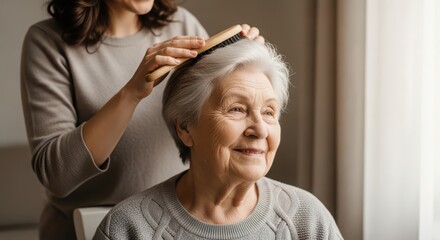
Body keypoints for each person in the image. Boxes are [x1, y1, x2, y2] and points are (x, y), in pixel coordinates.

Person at [20, 0, 261, 238]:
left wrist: (243, 63)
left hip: (175, 226)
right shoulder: (47, 41)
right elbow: (57, 175)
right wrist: (132, 93)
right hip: (86, 229)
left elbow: (212, 121)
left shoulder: (182, 24)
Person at [93, 39, 344, 240]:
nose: (260, 130)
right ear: (185, 128)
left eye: (269, 112)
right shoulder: (128, 228)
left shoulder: (307, 218)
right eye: (236, 109)